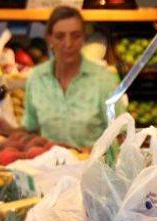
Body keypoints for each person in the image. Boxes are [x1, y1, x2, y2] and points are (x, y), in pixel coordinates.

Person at [23, 5, 125, 149]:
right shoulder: (36, 78)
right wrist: (6, 130)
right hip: (48, 167)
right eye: (60, 36)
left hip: (92, 168)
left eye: (75, 35)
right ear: (49, 39)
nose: (68, 44)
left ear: (84, 37)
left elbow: (120, 135)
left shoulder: (104, 80)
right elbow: (30, 131)